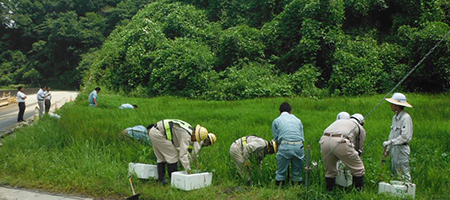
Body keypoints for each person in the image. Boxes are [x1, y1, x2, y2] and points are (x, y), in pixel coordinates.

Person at [148, 119, 209, 184]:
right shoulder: (186, 135)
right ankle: (174, 181)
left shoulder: (188, 129)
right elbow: (183, 155)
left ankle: (161, 180)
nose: (194, 141)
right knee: (173, 155)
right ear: (194, 134)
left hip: (154, 131)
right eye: (195, 139)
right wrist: (188, 170)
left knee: (161, 157)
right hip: (159, 134)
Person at [320, 113, 366, 191]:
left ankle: (330, 191)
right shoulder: (360, 128)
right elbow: (359, 148)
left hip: (324, 140)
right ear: (361, 122)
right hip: (341, 141)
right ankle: (358, 192)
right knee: (358, 168)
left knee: (330, 170)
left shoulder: (340, 122)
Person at [382, 93, 413, 183]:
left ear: (398, 106)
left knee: (403, 170)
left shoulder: (405, 118)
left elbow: (405, 136)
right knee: (395, 170)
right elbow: (392, 134)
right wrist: (388, 148)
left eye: (393, 104)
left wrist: (390, 142)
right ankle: (397, 192)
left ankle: (408, 190)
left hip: (402, 148)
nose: (391, 106)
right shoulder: (394, 117)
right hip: (394, 148)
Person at [272, 102, 305, 186]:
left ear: (280, 112)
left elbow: (276, 139)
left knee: (280, 172)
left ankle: (280, 190)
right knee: (297, 174)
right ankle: (296, 189)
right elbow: (302, 137)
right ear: (291, 111)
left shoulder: (276, 121)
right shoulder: (298, 120)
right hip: (299, 146)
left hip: (285, 145)